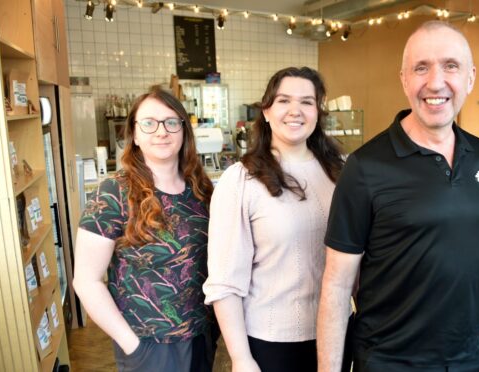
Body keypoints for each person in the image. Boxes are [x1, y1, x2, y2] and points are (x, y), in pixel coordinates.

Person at [317, 21, 479, 372]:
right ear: (404, 79)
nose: (435, 82)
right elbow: (336, 285)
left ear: (470, 77)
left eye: (450, 65)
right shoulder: (365, 167)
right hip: (391, 362)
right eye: (421, 67)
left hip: (472, 358)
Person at [203, 67, 350, 372]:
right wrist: (241, 359)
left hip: (338, 332)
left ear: (318, 112)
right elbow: (225, 282)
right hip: (272, 342)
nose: (295, 111)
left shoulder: (342, 172)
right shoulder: (240, 181)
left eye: (307, 102)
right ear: (266, 111)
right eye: (284, 100)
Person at [73, 87, 217, 372]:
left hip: (202, 335)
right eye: (149, 123)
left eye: (171, 122)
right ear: (135, 135)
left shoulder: (200, 189)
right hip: (148, 344)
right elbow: (86, 281)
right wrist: (132, 345)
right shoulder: (114, 193)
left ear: (184, 131)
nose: (161, 131)